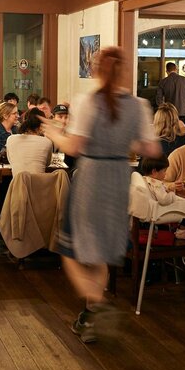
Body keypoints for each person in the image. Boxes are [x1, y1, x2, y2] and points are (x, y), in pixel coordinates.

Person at [42, 47, 160, 343]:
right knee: (101, 250)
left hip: (92, 176)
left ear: (95, 69)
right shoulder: (139, 105)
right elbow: (152, 150)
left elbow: (74, 147)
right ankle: (92, 315)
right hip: (119, 176)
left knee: (70, 249)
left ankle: (98, 304)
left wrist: (53, 132)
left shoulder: (87, 102)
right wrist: (122, 139)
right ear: (125, 72)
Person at [5, 109, 53, 175]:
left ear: (24, 121)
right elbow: (47, 163)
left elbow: (11, 161)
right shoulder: (47, 142)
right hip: (40, 184)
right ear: (42, 125)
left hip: (18, 184)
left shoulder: (10, 139)